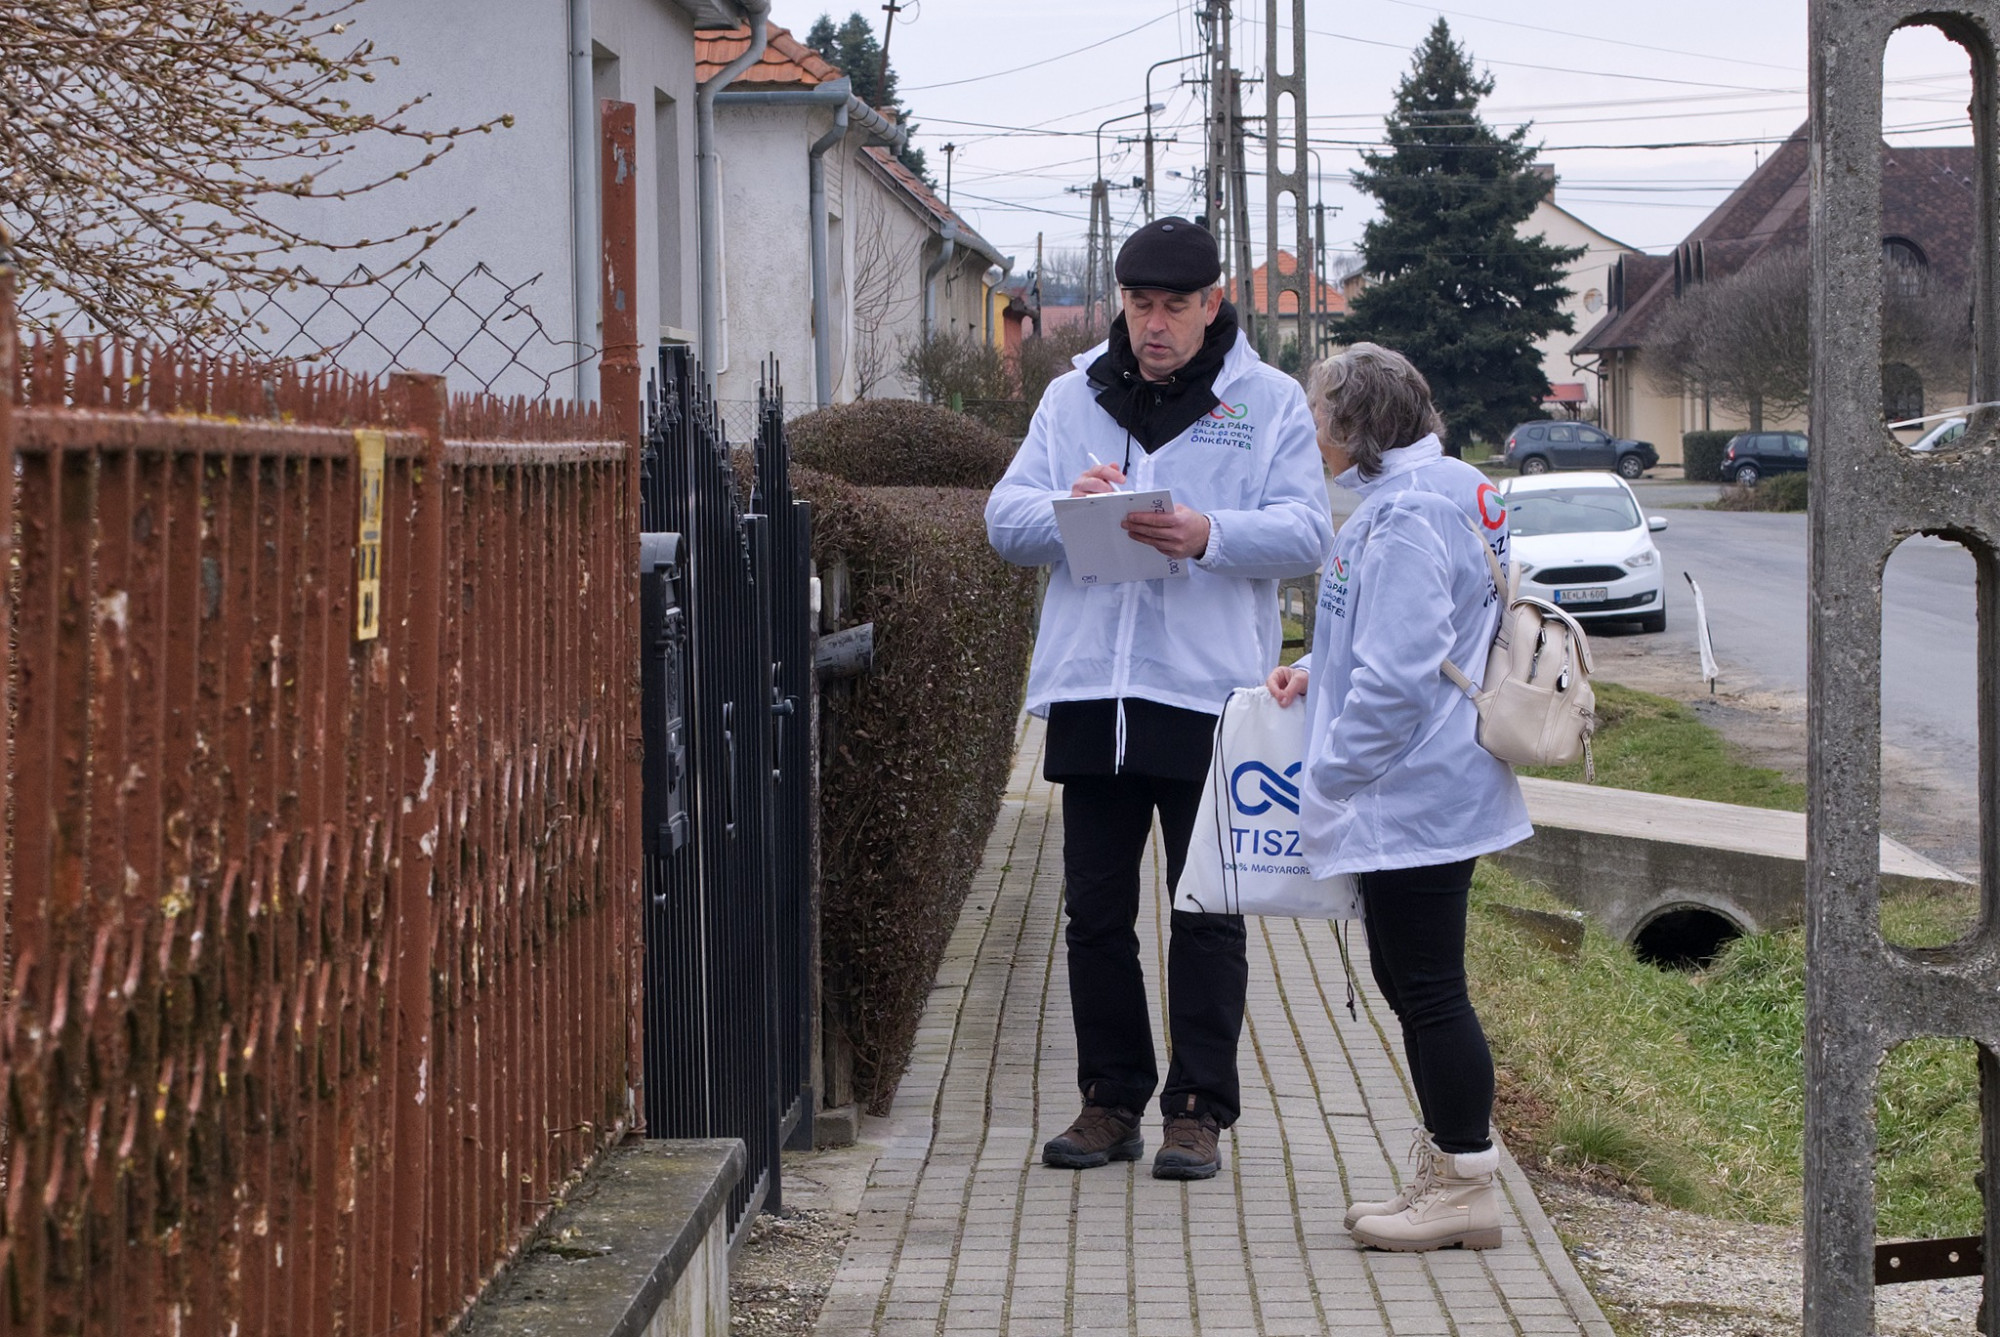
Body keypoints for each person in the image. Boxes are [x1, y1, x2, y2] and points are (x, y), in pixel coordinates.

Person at [985, 218, 1332, 1181]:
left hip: (1208, 697)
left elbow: (1307, 531)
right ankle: (1110, 1101)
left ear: (1213, 303)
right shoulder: (1071, 398)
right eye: (1139, 305)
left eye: (1175, 306)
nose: (1155, 325)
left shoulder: (1266, 402)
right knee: (1094, 915)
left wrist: (1209, 533)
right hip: (1094, 690)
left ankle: (1198, 1110)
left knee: (1207, 911)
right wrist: (1072, 509)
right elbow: (1002, 519)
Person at [1265, 343, 1531, 1250]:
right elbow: (1411, 629)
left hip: (1413, 787)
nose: (1310, 425)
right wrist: (1310, 671)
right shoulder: (1447, 487)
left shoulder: (1409, 513)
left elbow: (1400, 673)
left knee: (1428, 987)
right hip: (1427, 780)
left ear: (1356, 426)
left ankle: (1463, 1182)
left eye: (1318, 411)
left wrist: (1326, 775)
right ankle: (1451, 1167)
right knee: (1412, 982)